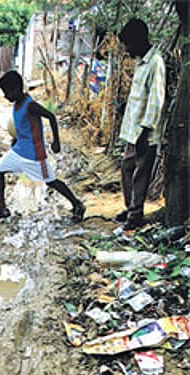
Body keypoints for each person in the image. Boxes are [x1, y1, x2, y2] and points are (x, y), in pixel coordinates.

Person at [0, 70, 85, 222]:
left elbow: (51, 117)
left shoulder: (30, 105)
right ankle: (1, 207)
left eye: (6, 92)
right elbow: (24, 128)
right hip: (20, 151)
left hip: (35, 156)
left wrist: (56, 141)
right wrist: (15, 141)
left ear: (15, 89)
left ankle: (77, 204)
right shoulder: (17, 104)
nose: (5, 96)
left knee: (51, 181)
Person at [115, 18, 166, 230]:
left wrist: (146, 130)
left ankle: (135, 214)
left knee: (140, 173)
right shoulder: (141, 62)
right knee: (127, 168)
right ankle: (130, 208)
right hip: (132, 130)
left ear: (138, 40)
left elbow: (156, 100)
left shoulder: (156, 62)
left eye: (128, 44)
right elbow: (141, 96)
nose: (126, 50)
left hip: (145, 131)